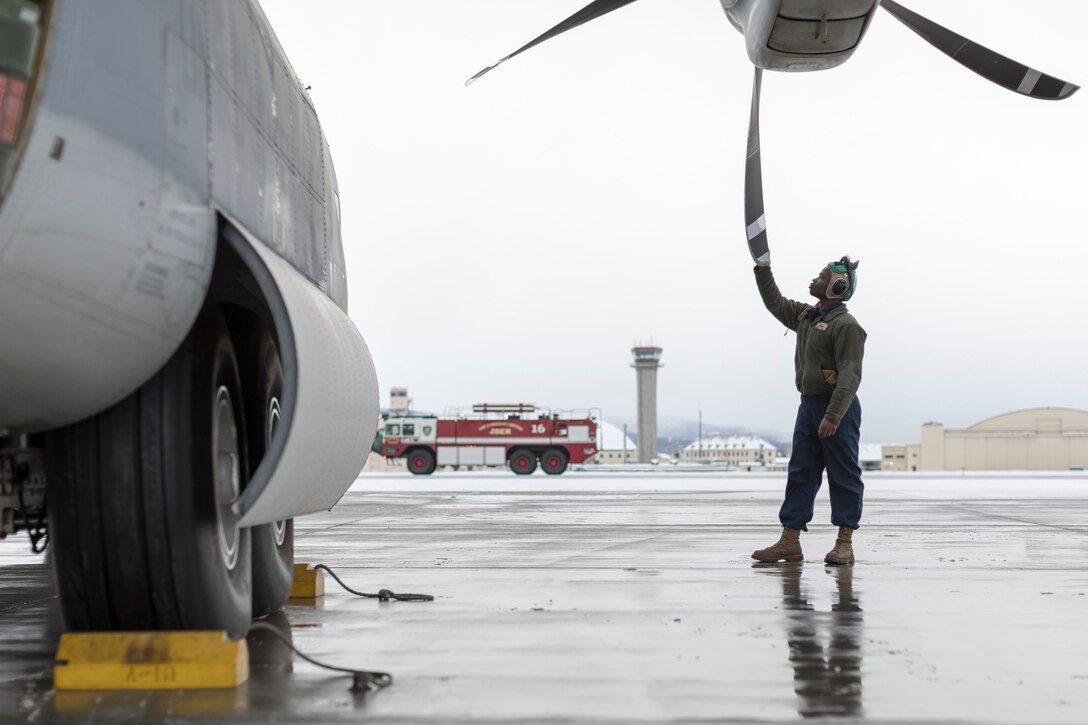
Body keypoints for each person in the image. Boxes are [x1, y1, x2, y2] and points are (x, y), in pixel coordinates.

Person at [751, 256, 866, 565]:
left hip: (836, 407)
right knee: (801, 472)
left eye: (822, 276)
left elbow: (850, 376)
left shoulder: (847, 326)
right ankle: (790, 540)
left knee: (843, 474)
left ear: (838, 286)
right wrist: (763, 270)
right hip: (808, 405)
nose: (814, 279)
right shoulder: (807, 317)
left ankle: (844, 542)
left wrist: (833, 416)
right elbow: (775, 303)